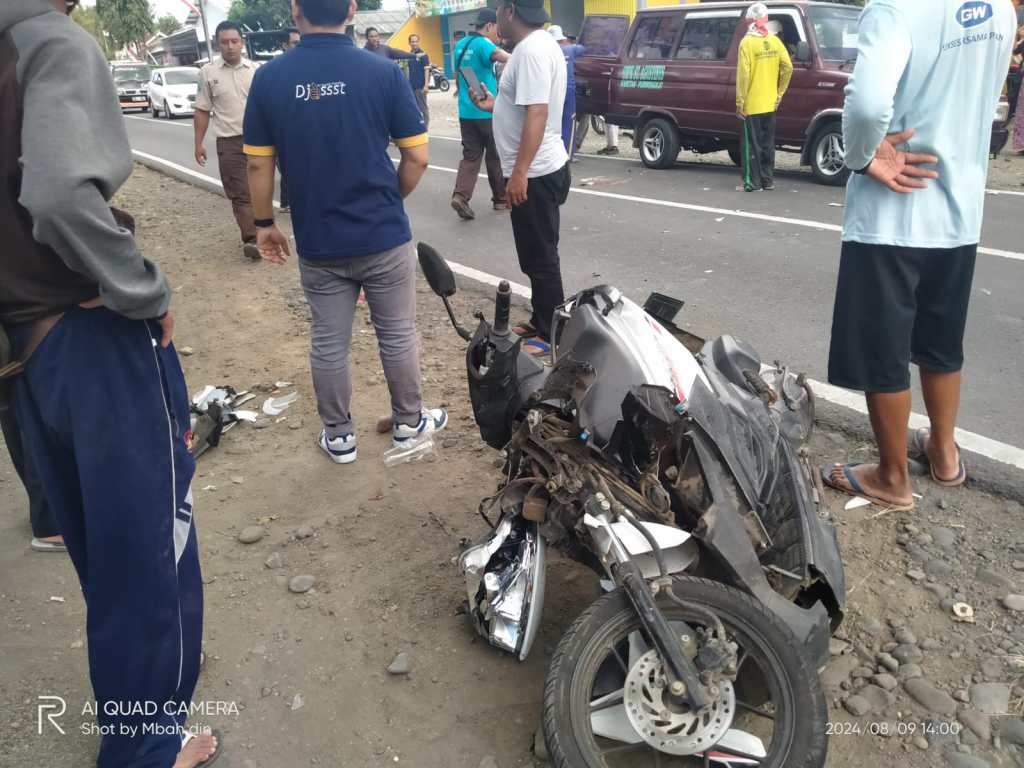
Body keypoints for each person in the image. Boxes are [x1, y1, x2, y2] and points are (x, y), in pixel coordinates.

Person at [0, 1, 213, 766]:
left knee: (102, 549)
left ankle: (137, 720)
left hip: (26, 355)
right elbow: (59, 195)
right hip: (93, 343)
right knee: (151, 552)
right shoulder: (49, 42)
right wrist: (142, 288)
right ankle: (150, 747)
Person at [824, 0, 1014, 510]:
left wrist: (864, 157)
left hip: (894, 214)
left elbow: (865, 104)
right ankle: (945, 454)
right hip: (960, 207)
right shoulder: (998, 9)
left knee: (882, 350)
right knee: (940, 337)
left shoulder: (895, 8)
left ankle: (891, 477)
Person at [244, 0, 448, 464]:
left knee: (328, 341)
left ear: (296, 10)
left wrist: (263, 224)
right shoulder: (381, 72)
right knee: (396, 334)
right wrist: (390, 199)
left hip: (319, 239)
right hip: (383, 234)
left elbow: (258, 161)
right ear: (352, 10)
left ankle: (339, 436)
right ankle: (409, 424)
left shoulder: (270, 79)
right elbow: (417, 157)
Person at [471, 0, 569, 344]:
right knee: (537, 254)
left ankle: (552, 334)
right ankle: (543, 318)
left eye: (498, 11)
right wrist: (491, 104)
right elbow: (525, 104)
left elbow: (538, 113)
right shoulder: (538, 46)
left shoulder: (530, 51)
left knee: (540, 258)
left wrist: (519, 172)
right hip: (540, 167)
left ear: (510, 11)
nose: (496, 18)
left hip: (537, 171)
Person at [194, 20, 260, 260]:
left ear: (242, 42)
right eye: (224, 42)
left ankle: (265, 228)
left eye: (234, 41)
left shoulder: (257, 70)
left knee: (260, 188)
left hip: (259, 140)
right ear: (217, 44)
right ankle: (252, 239)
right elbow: (202, 110)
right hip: (229, 143)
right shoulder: (208, 73)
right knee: (240, 193)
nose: (230, 46)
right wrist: (198, 143)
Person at [451, 9, 510, 221]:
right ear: (489, 26)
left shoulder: (460, 45)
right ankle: (500, 199)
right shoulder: (484, 44)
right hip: (487, 111)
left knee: (471, 156)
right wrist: (522, 59)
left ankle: (461, 196)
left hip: (466, 111)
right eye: (497, 29)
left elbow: (459, 79)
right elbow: (499, 56)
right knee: (494, 156)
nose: (498, 34)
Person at [736, 4, 793, 192]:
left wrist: (740, 103)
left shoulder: (747, 43)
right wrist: (779, 93)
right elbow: (788, 68)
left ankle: (752, 182)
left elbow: (744, 75)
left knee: (751, 146)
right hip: (770, 104)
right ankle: (768, 181)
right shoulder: (775, 41)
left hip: (751, 105)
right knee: (767, 144)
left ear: (749, 21)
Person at [548, 25, 584, 156]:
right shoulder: (570, 49)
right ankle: (567, 154)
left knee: (552, 121)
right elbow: (586, 48)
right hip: (568, 90)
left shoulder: (545, 51)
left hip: (551, 91)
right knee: (568, 122)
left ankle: (552, 154)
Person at [278, 26, 301, 212]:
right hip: (284, 131)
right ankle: (287, 202)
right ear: (284, 45)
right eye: (294, 43)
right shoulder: (274, 73)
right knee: (288, 169)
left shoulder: (311, 68)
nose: (299, 47)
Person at [407, 33, 432, 128]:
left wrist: (426, 85)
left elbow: (427, 70)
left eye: (416, 41)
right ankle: (418, 128)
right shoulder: (410, 55)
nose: (414, 43)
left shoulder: (423, 55)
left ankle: (425, 128)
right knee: (414, 109)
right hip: (411, 87)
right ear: (409, 43)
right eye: (412, 41)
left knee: (423, 108)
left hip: (420, 87)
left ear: (419, 42)